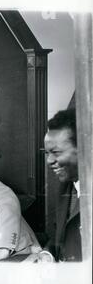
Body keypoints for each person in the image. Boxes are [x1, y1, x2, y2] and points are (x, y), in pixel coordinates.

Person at [36, 109, 81, 262]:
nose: (49, 161)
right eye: (47, 153)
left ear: (84, 149)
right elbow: (57, 239)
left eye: (56, 152)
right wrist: (47, 254)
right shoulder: (64, 187)